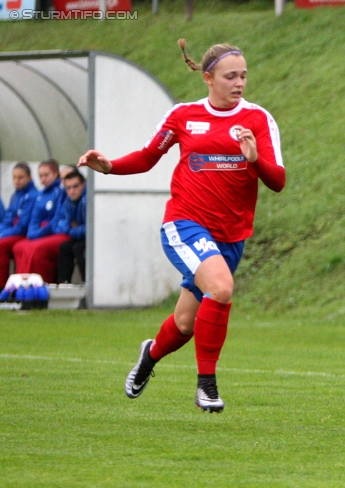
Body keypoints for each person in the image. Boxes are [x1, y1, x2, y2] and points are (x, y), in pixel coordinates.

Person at [79, 38, 286, 413]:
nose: (239, 83)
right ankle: (206, 386)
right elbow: (147, 157)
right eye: (229, 76)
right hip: (185, 223)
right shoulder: (183, 116)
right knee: (221, 289)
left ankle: (150, 355)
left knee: (186, 323)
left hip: (231, 235)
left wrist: (254, 158)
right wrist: (110, 166)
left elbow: (278, 181)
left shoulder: (258, 119)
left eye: (243, 75)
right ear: (208, 78)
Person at [11, 160, 63, 284]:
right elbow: (34, 218)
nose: (43, 179)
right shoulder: (40, 194)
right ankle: (21, 286)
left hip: (55, 233)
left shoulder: (60, 192)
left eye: (46, 175)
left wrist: (38, 233)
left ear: (56, 174)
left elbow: (55, 220)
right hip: (40, 232)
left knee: (35, 248)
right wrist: (33, 233)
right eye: (41, 176)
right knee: (20, 246)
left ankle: (39, 286)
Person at [0, 163, 38, 285]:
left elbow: (22, 226)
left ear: (29, 178)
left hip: (23, 234)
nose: (16, 181)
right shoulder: (15, 195)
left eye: (20, 177)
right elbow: (7, 219)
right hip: (13, 232)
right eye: (14, 177)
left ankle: (2, 286)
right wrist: (2, 231)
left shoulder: (32, 196)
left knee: (1, 245)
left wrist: (2, 234)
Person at [55, 169, 87, 284]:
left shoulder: (87, 200)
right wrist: (74, 229)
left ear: (84, 185)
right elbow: (66, 224)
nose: (72, 191)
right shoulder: (69, 202)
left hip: (94, 238)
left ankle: (87, 283)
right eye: (68, 188)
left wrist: (74, 229)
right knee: (64, 247)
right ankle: (64, 283)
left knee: (79, 248)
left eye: (75, 186)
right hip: (81, 236)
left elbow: (92, 228)